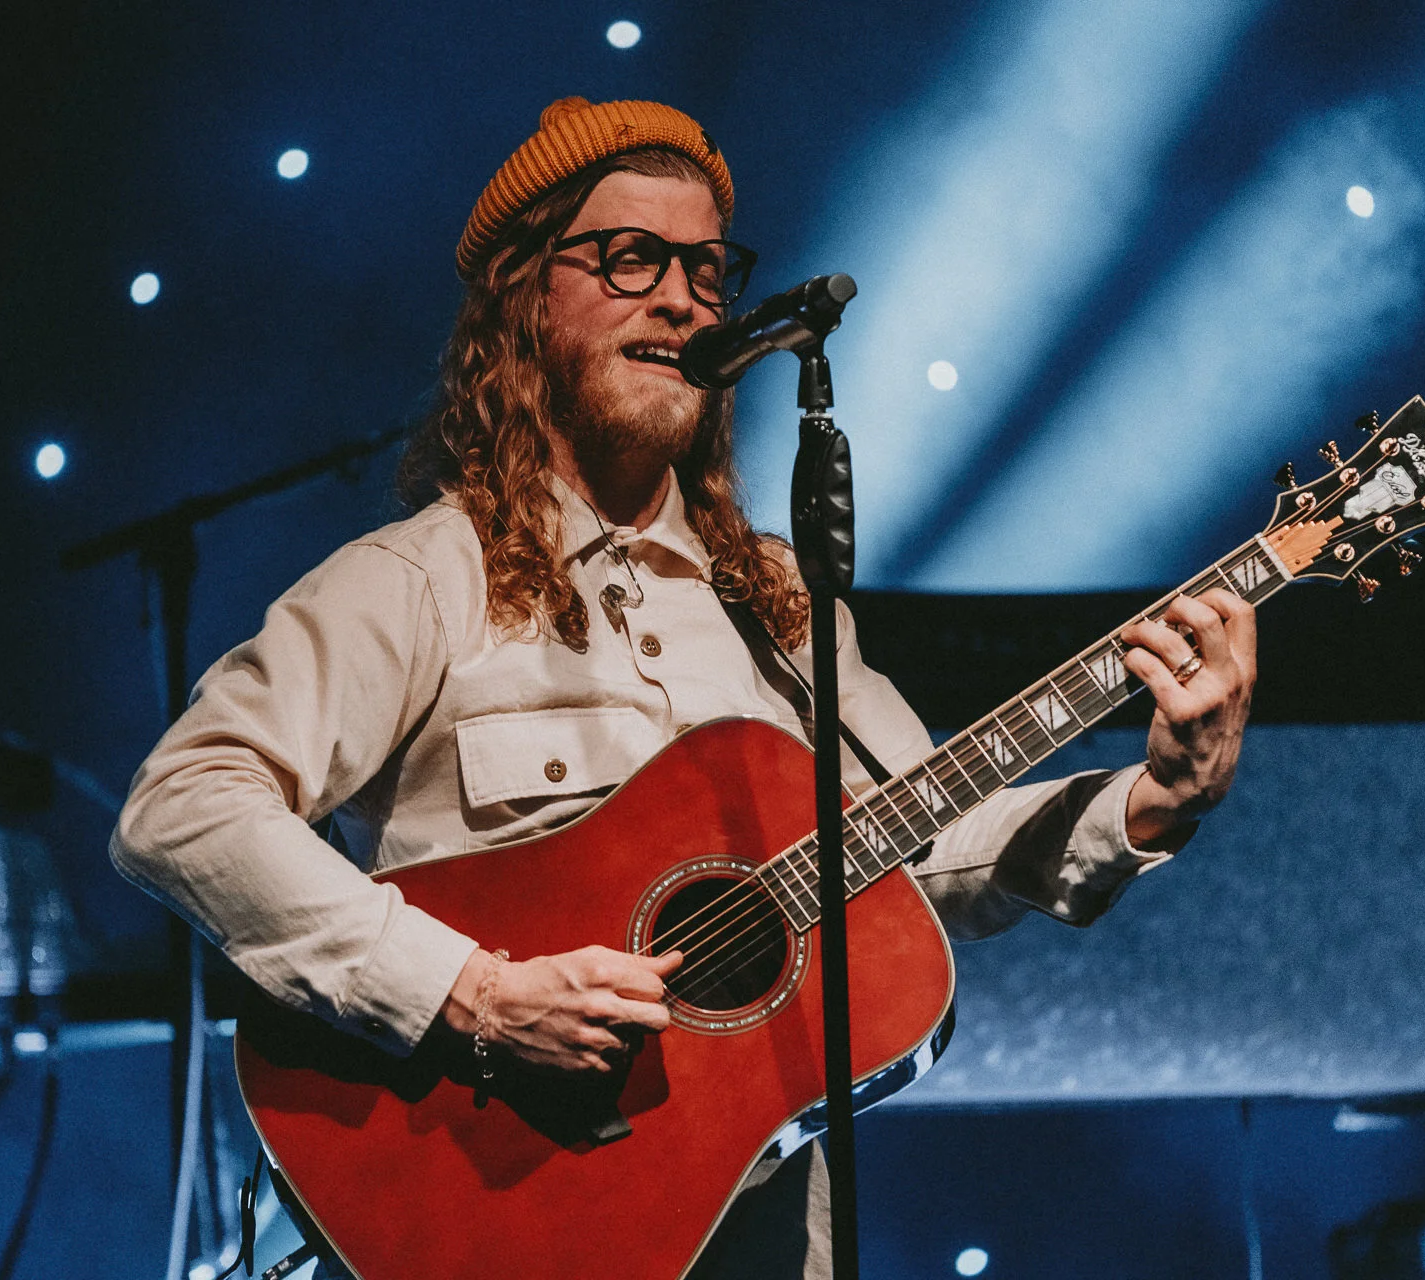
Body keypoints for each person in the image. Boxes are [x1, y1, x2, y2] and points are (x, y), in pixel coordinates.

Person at [110, 95, 1256, 1279]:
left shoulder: (775, 600)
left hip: (763, 1225)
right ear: (523, 299)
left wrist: (1151, 800)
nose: (679, 299)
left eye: (704, 270)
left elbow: (917, 841)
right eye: (629, 258)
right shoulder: (420, 581)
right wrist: (474, 993)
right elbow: (183, 804)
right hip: (494, 1209)